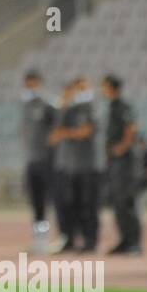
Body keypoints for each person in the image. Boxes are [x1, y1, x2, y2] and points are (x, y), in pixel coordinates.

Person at [51, 77, 99, 253]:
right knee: (72, 205)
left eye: (81, 87)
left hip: (89, 165)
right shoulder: (70, 111)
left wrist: (68, 133)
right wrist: (63, 107)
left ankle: (90, 241)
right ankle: (72, 239)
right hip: (71, 167)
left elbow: (85, 132)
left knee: (88, 206)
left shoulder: (92, 108)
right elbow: (55, 135)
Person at [102, 75, 143, 255]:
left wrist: (123, 147)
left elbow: (131, 128)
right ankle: (125, 240)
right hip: (115, 162)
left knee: (127, 201)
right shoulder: (111, 107)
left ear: (111, 87)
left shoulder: (123, 106)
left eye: (104, 86)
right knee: (118, 202)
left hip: (126, 162)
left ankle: (134, 242)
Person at [19, 69, 57, 253]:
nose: (29, 87)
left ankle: (52, 238)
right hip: (32, 160)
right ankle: (39, 239)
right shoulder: (26, 106)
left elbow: (56, 131)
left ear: (39, 83)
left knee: (47, 201)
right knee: (36, 202)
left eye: (32, 84)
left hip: (46, 160)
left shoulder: (48, 105)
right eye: (27, 84)